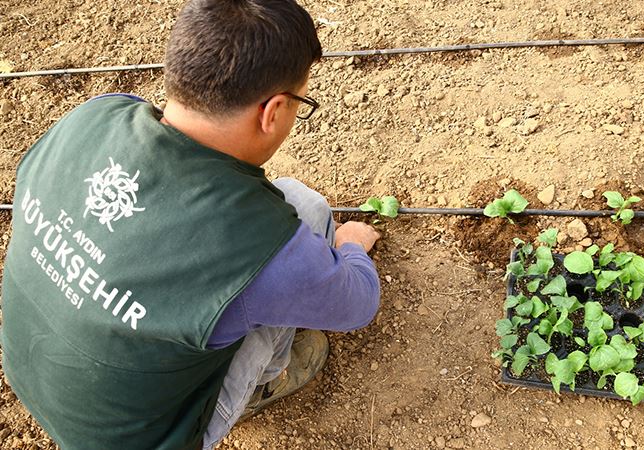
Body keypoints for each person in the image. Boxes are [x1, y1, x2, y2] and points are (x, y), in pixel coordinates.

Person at [0, 1, 381, 449]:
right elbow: (358, 303)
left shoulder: (94, 115)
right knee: (307, 208)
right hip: (145, 440)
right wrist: (352, 244)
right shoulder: (260, 244)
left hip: (30, 372)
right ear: (273, 110)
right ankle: (266, 381)